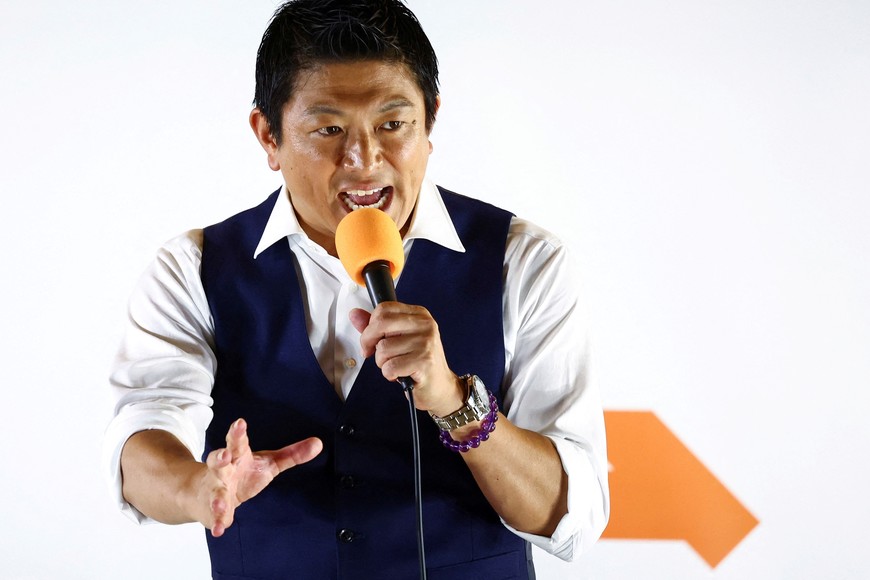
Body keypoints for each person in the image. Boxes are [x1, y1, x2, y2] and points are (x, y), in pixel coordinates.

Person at [103, 1, 609, 578]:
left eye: (393, 125)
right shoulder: (193, 268)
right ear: (268, 135)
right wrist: (201, 488)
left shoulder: (523, 261)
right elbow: (143, 440)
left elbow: (571, 520)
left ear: (431, 122)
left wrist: (454, 402)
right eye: (329, 129)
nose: (364, 161)